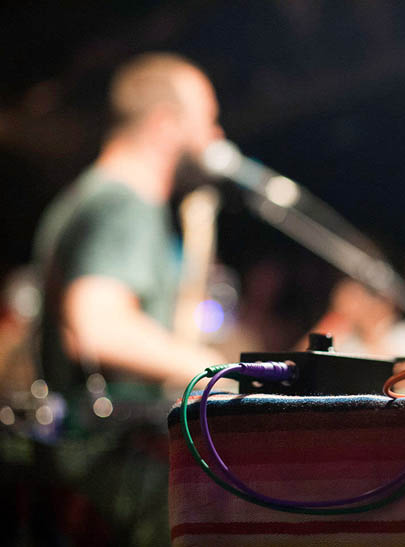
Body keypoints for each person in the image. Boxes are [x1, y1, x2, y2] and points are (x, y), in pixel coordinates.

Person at [28, 52, 225, 546]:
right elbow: (100, 326)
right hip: (113, 464)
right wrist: (214, 367)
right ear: (164, 124)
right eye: (208, 122)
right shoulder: (122, 201)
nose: (216, 139)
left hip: (80, 464)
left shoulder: (93, 196)